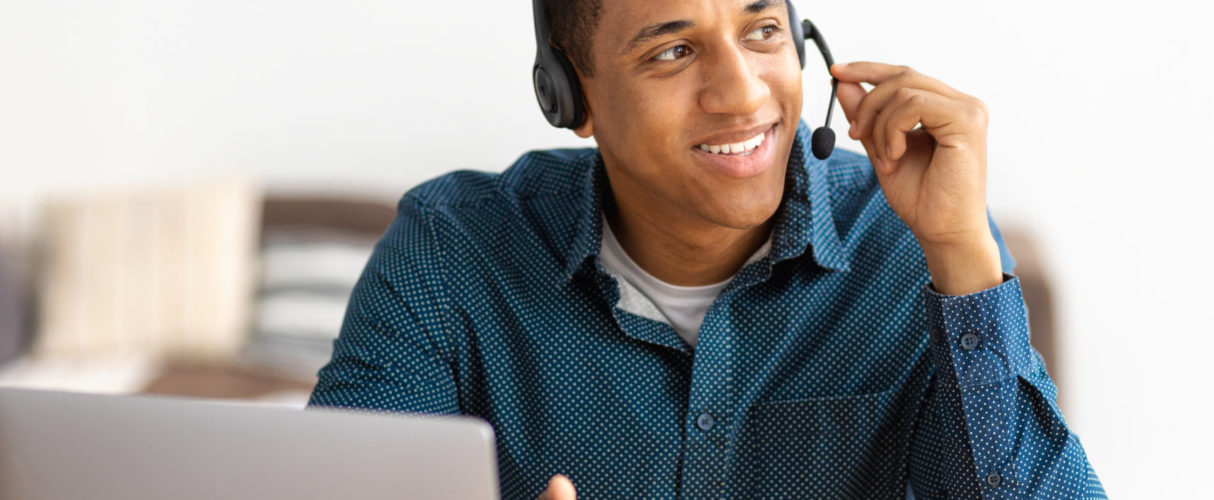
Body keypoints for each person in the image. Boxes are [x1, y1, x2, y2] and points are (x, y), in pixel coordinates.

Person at [308, 0, 1105, 498]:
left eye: (762, 32)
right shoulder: (451, 252)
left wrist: (963, 250)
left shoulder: (913, 242)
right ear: (570, 98)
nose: (744, 93)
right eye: (672, 51)